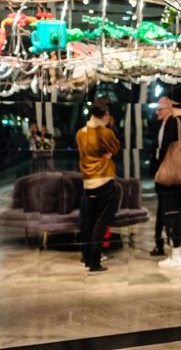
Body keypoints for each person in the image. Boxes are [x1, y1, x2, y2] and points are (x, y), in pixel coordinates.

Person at [155, 88, 181, 270]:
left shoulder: (172, 121)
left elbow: (162, 149)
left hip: (170, 176)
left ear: (171, 103)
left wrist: (157, 168)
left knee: (172, 214)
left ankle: (176, 257)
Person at [76, 102, 120, 274]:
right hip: (104, 180)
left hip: (88, 182)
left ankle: (86, 258)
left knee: (87, 222)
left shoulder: (81, 133)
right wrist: (106, 155)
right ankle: (95, 261)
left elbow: (83, 154)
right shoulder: (106, 132)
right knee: (101, 223)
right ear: (104, 115)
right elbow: (115, 147)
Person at [149, 95, 171, 257]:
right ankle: (159, 242)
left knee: (165, 209)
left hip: (168, 173)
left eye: (160, 109)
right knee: (161, 209)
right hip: (160, 174)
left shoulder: (172, 125)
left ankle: (166, 241)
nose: (157, 112)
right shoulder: (159, 125)